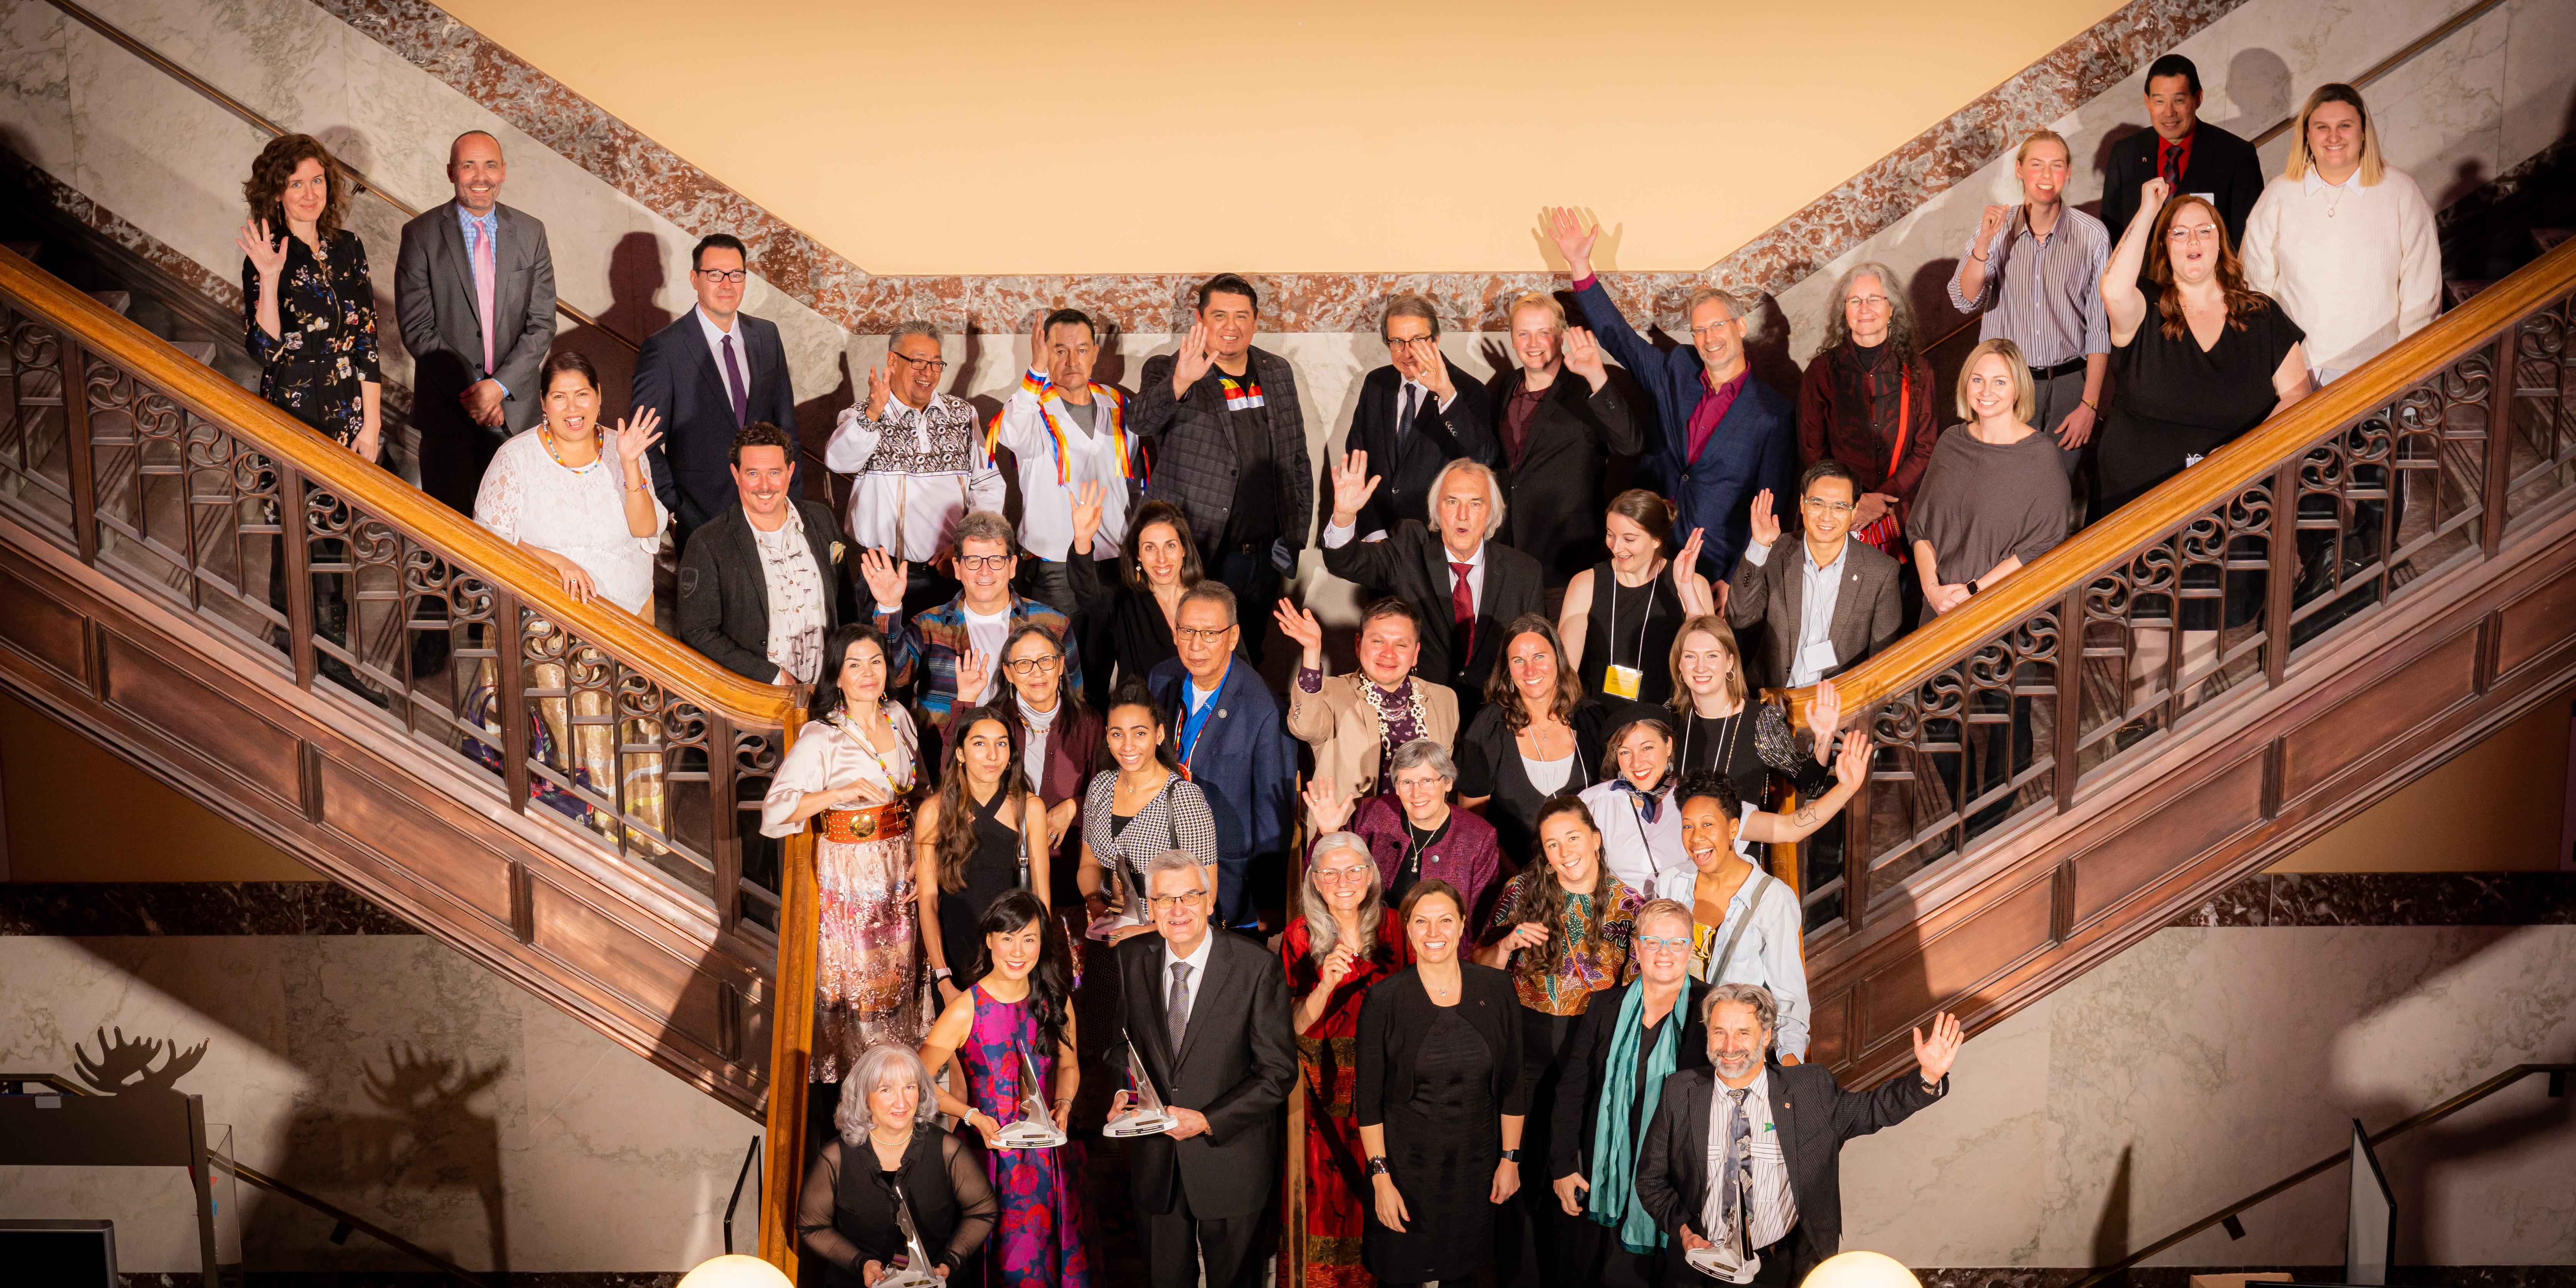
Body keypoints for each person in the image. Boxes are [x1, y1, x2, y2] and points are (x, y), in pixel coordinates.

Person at [1635, 986, 1964, 1285]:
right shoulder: (1681, 1091)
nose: (1729, 1046)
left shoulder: (1809, 1090)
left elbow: (1874, 1109)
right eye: (1719, 1031)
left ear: (1766, 1036)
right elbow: (1651, 1180)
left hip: (1779, 1268)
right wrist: (1684, 1231)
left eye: (1743, 1033)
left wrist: (1928, 1076)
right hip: (1699, 1267)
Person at [1546, 207, 1795, 584]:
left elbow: (1768, 509)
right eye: (1699, 331)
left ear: (1740, 326)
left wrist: (1735, 579)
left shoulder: (1773, 413)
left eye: (1717, 326)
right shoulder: (1675, 371)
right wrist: (1579, 266)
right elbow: (1619, 339)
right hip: (1647, 555)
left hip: (1714, 569)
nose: (1709, 339)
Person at [1108, 850, 1298, 1288]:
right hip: (1157, 1166)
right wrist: (1125, 1092)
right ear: (1150, 908)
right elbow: (1123, 1045)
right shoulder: (1131, 958)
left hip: (1231, 1162)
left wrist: (1208, 1120)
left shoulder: (1256, 967)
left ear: (1209, 901)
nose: (1178, 911)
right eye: (1165, 900)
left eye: (1190, 896)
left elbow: (1277, 1072)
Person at [1475, 796, 1642, 1285]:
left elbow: (1633, 993)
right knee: (1518, 1163)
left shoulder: (1627, 904)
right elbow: (1478, 969)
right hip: (1524, 1040)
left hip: (1590, 1045)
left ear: (1594, 839)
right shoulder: (1521, 890)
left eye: (1573, 837)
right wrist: (1505, 945)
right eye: (1552, 843)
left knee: (1575, 1166)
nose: (1564, 851)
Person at [762, 625, 926, 1078]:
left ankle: (902, 1081)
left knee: (902, 971)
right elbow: (775, 811)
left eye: (875, 661)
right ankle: (864, 1085)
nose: (867, 672)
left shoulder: (898, 715)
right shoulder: (822, 735)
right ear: (836, 675)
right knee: (861, 977)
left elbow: (921, 790)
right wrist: (835, 791)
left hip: (901, 861)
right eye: (854, 664)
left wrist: (923, 856)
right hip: (851, 872)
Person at [2099, 182, 2313, 515]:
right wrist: (2148, 212)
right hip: (2139, 506)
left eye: (2204, 230)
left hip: (2234, 501)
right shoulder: (2145, 306)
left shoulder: (2261, 314)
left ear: (2220, 242)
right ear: (2165, 246)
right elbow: (2112, 290)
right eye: (2180, 233)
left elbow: (2297, 395)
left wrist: (2243, 454)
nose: (2194, 240)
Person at [918, 890, 1093, 1288]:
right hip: (989, 1160)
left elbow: (1068, 1064)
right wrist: (971, 1115)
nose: (1018, 950)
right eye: (1008, 937)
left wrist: (1064, 1102)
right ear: (989, 941)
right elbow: (916, 1082)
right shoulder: (965, 1007)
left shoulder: (1055, 1001)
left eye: (1029, 939)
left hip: (1050, 1160)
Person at [1135, 273, 1314, 662]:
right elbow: (1140, 423)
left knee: (1250, 653)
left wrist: (1295, 533)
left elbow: (1296, 456)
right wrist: (1181, 381)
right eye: (1219, 315)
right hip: (1202, 551)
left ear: (1255, 320)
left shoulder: (1277, 371)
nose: (1230, 327)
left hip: (1266, 555)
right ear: (1199, 319)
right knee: (1196, 656)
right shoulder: (1168, 368)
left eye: (1241, 316)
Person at [1357, 879, 1526, 1286]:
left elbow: (1513, 1083)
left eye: (1445, 920)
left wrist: (1510, 1158)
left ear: (1463, 924)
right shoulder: (1383, 1000)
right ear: (1408, 929)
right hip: (1404, 1170)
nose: (1434, 934)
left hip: (1475, 1169)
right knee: (1400, 1271)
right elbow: (1367, 1102)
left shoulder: (1497, 988)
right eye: (1421, 922)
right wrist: (1380, 1178)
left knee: (1464, 1273)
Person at [1546, 898, 1711, 1286]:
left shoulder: (1712, 1008)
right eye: (1652, 942)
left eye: (1675, 943)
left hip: (1679, 1184)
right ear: (1635, 948)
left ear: (1690, 948)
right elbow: (1572, 1088)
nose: (1664, 953)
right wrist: (1563, 1165)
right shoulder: (1605, 1004)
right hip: (1606, 1176)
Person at [394, 130, 557, 512]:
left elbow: (541, 323)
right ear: (452, 172)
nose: (480, 177)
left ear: (503, 172)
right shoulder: (420, 235)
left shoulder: (532, 233)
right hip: (448, 416)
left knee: (513, 536)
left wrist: (499, 387)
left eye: (490, 165)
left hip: (515, 416)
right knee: (448, 536)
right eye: (469, 166)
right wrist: (477, 394)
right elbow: (418, 328)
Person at [1277, 828, 1412, 1288]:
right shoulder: (1299, 934)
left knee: (1383, 1188)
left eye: (1354, 869)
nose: (1343, 880)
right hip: (1319, 1088)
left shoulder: (1396, 925)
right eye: (1329, 872)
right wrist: (1324, 987)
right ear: (1314, 880)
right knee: (1326, 1197)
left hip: (1387, 1085)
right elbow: (1291, 1024)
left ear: (1371, 874)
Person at [1655, 770, 1866, 1059]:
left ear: (1733, 829)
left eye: (1708, 824)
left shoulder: (1772, 898)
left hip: (1731, 1051)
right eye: (1688, 826)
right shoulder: (1670, 883)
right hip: (1671, 1041)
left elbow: (1789, 997)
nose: (1696, 838)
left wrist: (1790, 1060)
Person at [1317, 453, 1545, 719]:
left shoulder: (1525, 572)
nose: (1463, 515)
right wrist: (1344, 516)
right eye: (1452, 502)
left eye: (1475, 503)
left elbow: (1538, 656)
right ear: (1436, 509)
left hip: (1497, 721)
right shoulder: (1409, 548)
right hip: (1420, 718)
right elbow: (1347, 562)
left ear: (1491, 512)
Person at [2240, 83, 2439, 384]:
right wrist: (2272, 363)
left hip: (2376, 370)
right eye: (2322, 127)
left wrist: (2407, 365)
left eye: (2345, 126)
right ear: (2307, 135)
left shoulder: (2401, 192)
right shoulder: (2280, 194)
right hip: (2294, 373)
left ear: (2363, 132)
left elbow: (2423, 291)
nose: (2333, 137)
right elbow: (2255, 287)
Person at [1947, 131, 2111, 481]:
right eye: (2037, 165)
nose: (2047, 176)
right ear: (2020, 171)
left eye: (2056, 166)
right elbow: (1964, 299)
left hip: (2068, 386)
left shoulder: (2092, 235)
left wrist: (2089, 406)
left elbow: (2099, 329)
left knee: (2056, 491)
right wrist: (1985, 242)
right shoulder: (1994, 229)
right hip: (2007, 385)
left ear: (2068, 172)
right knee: (2002, 486)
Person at [828, 321, 1008, 619]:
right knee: (883, 663)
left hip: (950, 575)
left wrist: (966, 545)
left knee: (944, 665)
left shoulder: (963, 415)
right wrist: (874, 413)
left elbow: (988, 483)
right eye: (919, 362)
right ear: (892, 361)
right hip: (882, 576)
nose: (928, 373)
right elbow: (838, 461)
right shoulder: (863, 414)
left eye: (936, 364)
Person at [634, 232, 801, 543]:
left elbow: (786, 426)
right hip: (701, 520)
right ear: (695, 279)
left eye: (736, 274)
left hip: (769, 510)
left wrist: (792, 499)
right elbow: (645, 441)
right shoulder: (665, 349)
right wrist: (676, 507)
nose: (727, 284)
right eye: (715, 274)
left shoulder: (766, 336)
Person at [472, 351, 667, 616]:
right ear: (543, 402)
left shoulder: (625, 448)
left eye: (582, 394)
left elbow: (644, 529)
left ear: (598, 395)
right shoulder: (515, 458)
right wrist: (558, 562)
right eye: (559, 397)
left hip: (627, 617)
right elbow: (489, 543)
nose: (573, 408)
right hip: (545, 617)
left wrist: (630, 463)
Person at [1146, 583, 1295, 930]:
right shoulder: (1161, 678)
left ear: (1233, 636)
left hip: (1230, 884)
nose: (1196, 645)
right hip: (1162, 868)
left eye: (1211, 633)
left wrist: (1268, 902)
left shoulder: (1264, 708)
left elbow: (1274, 815)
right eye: (1187, 631)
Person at [863, 511, 1079, 742]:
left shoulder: (1053, 624)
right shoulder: (929, 626)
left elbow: (1074, 703)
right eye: (973, 561)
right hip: (951, 760)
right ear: (957, 568)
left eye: (996, 560)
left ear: (1013, 566)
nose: (984, 572)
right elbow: (894, 677)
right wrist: (889, 608)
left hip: (1032, 754)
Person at [798, 1042, 999, 1288]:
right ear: (864, 1096)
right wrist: (860, 1263)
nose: (901, 1102)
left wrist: (950, 1261)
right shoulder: (835, 1159)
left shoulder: (947, 1149)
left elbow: (983, 1210)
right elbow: (812, 1226)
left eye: (909, 1087)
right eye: (886, 1090)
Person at [237, 133, 381, 458]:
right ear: (277, 193)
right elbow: (264, 352)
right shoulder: (263, 254)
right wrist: (270, 277)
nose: (310, 194)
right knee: (294, 504)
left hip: (349, 405)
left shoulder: (350, 246)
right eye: (296, 184)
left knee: (347, 507)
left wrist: (372, 426)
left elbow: (368, 341)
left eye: (317, 180)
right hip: (290, 405)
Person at [1486, 291, 1644, 587]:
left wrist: (1598, 377)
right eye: (1524, 334)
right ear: (1512, 340)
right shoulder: (1508, 385)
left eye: (1543, 333)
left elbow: (1631, 443)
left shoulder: (1587, 388)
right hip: (1507, 557)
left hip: (1567, 560)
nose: (1533, 344)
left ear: (1561, 337)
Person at [990, 309, 1138, 616]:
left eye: (1082, 350)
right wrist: (1037, 370)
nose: (1073, 361)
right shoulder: (1031, 408)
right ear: (1044, 352)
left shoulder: (1119, 405)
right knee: (1057, 660)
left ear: (1095, 353)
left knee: (1103, 659)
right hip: (1056, 566)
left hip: (1113, 562)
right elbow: (1010, 434)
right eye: (1060, 350)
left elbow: (1133, 482)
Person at [1911, 341, 2071, 617]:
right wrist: (1932, 591)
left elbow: (2044, 544)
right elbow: (1920, 530)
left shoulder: (2041, 458)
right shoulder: (1950, 442)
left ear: (2018, 389)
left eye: (1999, 382)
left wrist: (1973, 592)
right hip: (1938, 607)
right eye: (1978, 380)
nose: (1986, 391)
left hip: (1999, 610)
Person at [678, 422, 844, 685]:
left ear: (790, 471)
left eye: (774, 472)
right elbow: (697, 631)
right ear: (736, 473)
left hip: (829, 690)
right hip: (759, 700)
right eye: (753, 473)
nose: (765, 486)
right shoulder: (707, 543)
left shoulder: (821, 518)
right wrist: (773, 676)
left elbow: (844, 602)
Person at [1794, 263, 1935, 569]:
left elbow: (1926, 448)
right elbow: (1813, 452)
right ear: (1844, 311)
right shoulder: (1821, 373)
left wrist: (1881, 500)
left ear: (1892, 308)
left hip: (1904, 515)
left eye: (1875, 299)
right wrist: (1855, 502)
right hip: (1842, 518)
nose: (1865, 308)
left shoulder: (1919, 370)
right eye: (1855, 301)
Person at [913, 705, 1050, 1005]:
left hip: (1014, 959)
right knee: (961, 1050)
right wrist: (943, 978)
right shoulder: (934, 812)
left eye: (1001, 743)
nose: (993, 755)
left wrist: (1033, 963)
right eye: (980, 744)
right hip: (955, 957)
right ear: (960, 753)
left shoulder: (1030, 808)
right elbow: (929, 902)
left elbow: (1041, 897)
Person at [1725, 461, 1902, 691]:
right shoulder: (1777, 551)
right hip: (1773, 699)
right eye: (1817, 503)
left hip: (1839, 709)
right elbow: (1739, 617)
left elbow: (1884, 663)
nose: (1826, 517)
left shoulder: (1881, 571)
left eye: (1839, 507)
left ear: (1854, 510)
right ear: (1802, 503)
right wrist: (1760, 546)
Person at [1340, 293, 1497, 542]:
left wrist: (1447, 394)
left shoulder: (1468, 390)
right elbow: (1357, 463)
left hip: (1439, 542)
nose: (1407, 352)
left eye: (1417, 340)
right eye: (1397, 341)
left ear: (1436, 340)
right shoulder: (1376, 383)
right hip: (1381, 541)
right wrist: (1374, 533)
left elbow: (1484, 458)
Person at [1456, 615, 1612, 863]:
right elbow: (1472, 827)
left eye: (1539, 657)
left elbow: (1614, 810)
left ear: (1558, 660)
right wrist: (1517, 883)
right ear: (1508, 670)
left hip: (1588, 874)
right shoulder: (1489, 728)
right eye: (1519, 660)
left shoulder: (1592, 720)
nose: (1530, 670)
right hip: (1516, 879)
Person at [1303, 738, 1505, 929]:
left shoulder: (1479, 837)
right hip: (1372, 944)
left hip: (1441, 953)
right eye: (1407, 782)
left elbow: (1480, 925)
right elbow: (1319, 881)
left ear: (1448, 783)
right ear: (1397, 788)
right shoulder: (1371, 814)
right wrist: (1328, 833)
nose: (1417, 793)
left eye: (1427, 781)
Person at [1078, 679, 1220, 941]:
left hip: (1164, 939)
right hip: (1108, 933)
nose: (1128, 746)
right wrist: (1096, 905)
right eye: (1117, 734)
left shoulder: (1185, 800)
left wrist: (1142, 932)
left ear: (1160, 734)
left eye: (1140, 733)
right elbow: (1089, 863)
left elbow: (1207, 896)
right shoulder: (1100, 787)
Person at [1277, 597, 1460, 798]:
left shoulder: (1444, 699)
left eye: (1401, 645)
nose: (1388, 654)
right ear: (1359, 644)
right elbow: (1304, 728)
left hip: (1422, 827)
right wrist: (1312, 651)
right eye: (1378, 641)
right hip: (1349, 825)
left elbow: (1445, 778)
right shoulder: (1331, 692)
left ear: (1415, 653)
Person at [1559, 490, 1714, 706]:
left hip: (1665, 714)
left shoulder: (1693, 584)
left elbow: (1709, 661)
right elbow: (1565, 670)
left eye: (1629, 539)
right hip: (1598, 713)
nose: (1616, 547)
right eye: (1610, 534)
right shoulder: (1586, 584)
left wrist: (1686, 588)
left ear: (1656, 541)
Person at [1661, 617, 1837, 806]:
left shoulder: (1760, 721)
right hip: (1674, 833)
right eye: (1690, 657)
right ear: (1680, 665)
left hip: (1739, 834)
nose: (1701, 667)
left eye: (1712, 656)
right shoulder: (1670, 716)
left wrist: (1824, 739)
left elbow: (1809, 784)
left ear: (1730, 663)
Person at [2101, 53, 2267, 248]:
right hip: (2142, 279)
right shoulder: (2125, 154)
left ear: (2198, 99)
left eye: (2179, 100)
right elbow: (2111, 238)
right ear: (2147, 102)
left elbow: (2249, 242)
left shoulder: (2237, 155)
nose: (2169, 113)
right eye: (2159, 101)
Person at [1064, 498, 1212, 710]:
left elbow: (1237, 667)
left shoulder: (1210, 602)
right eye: (1150, 548)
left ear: (1184, 550)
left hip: (1206, 721)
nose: (1162, 559)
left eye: (1170, 546)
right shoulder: (1124, 604)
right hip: (1146, 728)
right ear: (1138, 556)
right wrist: (1082, 541)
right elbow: (1088, 595)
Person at [996, 623, 1099, 920]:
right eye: (1024, 664)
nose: (1037, 672)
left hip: (1070, 871)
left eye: (1046, 661)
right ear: (1009, 673)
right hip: (1005, 873)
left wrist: (1073, 807)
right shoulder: (993, 722)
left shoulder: (1088, 722)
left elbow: (1111, 794)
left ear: (1060, 665)